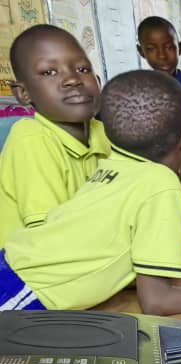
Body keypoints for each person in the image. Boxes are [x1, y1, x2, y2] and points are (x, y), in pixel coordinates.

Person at [0, 70, 181, 313]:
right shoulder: (159, 186)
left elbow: (151, 279)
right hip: (23, 292)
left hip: (14, 271)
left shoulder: (114, 168)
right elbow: (157, 300)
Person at [0, 24, 110, 246]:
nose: (73, 80)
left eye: (82, 69)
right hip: (21, 272)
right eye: (49, 72)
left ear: (98, 81)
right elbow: (53, 240)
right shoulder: (31, 139)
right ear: (23, 93)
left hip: (86, 255)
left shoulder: (107, 136)